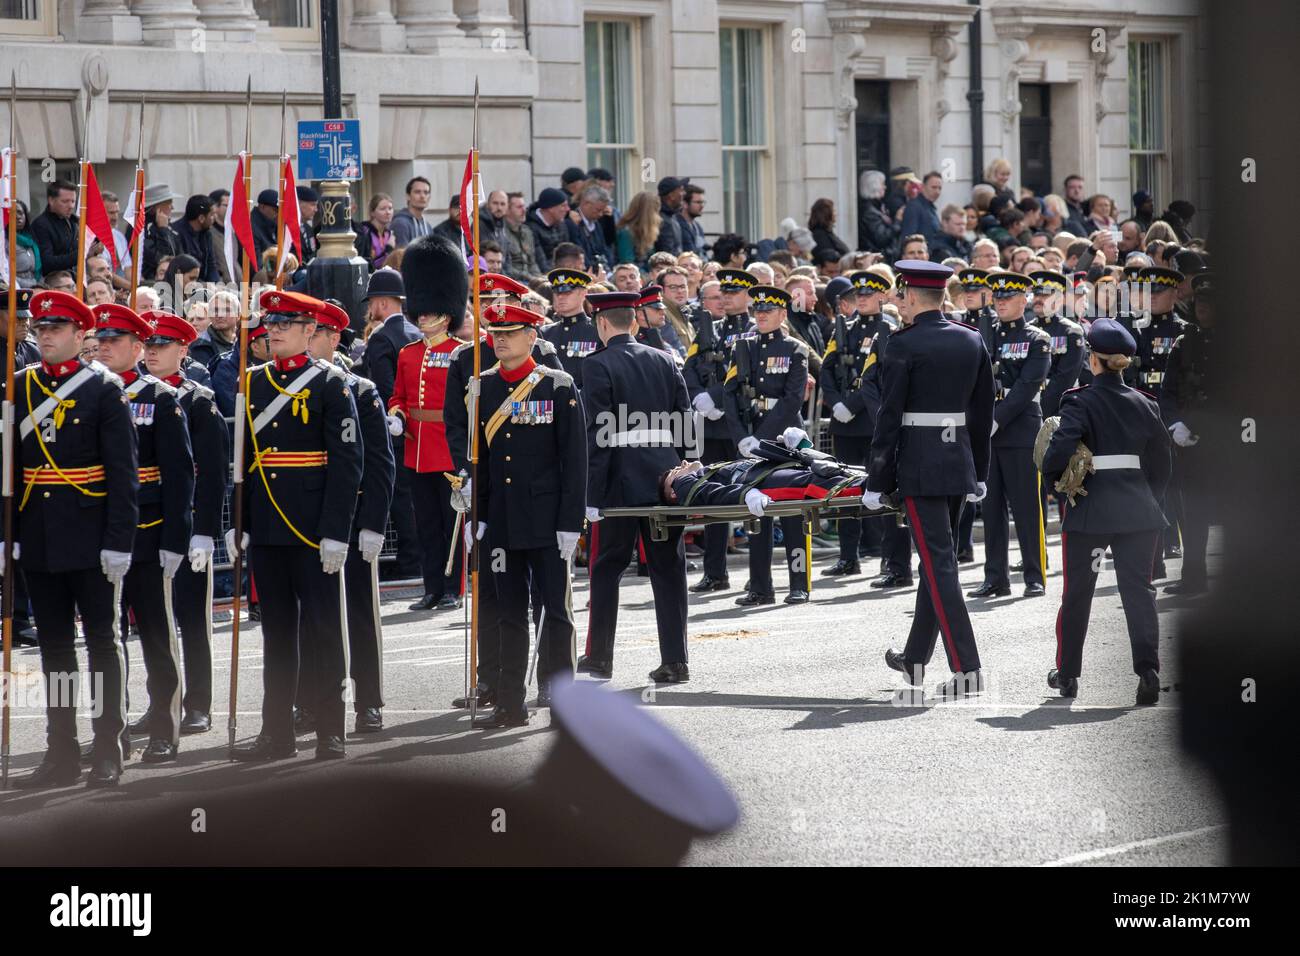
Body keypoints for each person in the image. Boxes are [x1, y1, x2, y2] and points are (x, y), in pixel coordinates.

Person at [9, 291, 139, 789]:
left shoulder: (104, 389)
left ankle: (108, 745)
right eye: (39, 328)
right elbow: (12, 469)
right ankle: (60, 751)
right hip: (39, 533)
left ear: (81, 334)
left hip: (92, 534)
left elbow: (123, 472)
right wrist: (10, 534)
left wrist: (119, 541)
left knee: (102, 643)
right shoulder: (20, 386)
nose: (44, 335)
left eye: (56, 328)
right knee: (55, 650)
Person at [228, 290, 363, 762]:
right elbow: (241, 461)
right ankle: (276, 732)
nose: (277, 329)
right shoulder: (253, 381)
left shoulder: (331, 384)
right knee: (276, 635)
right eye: (273, 322)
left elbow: (347, 463)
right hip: (267, 527)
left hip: (312, 532)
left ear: (311, 330)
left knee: (326, 632)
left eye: (288, 322)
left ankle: (331, 730)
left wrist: (336, 531)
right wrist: (238, 521)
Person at [864, 261, 995, 699]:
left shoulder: (903, 343)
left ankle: (967, 668)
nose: (897, 303)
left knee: (938, 564)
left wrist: (876, 479)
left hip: (920, 465)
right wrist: (979, 469)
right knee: (940, 563)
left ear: (915, 297)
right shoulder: (971, 339)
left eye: (900, 297)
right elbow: (982, 415)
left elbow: (889, 416)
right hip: (957, 461)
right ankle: (916, 659)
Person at [467, 302, 586, 728]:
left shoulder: (557, 385)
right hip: (501, 518)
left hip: (549, 519)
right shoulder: (482, 387)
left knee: (556, 613)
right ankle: (509, 702)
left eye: (510, 332)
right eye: (495, 333)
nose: (500, 339)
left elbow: (574, 460)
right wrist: (475, 515)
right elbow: (477, 458)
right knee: (509, 613)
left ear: (532, 337)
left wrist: (571, 522)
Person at [1041, 318, 1171, 705]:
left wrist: (1053, 482)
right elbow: (1162, 462)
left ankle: (1067, 674)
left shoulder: (1078, 400)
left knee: (1078, 593)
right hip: (1138, 509)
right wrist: (1150, 499)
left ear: (1093, 361)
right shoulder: (1145, 402)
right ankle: (1147, 670)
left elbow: (1062, 446)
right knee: (1139, 591)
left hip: (1090, 510)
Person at [89, 303, 194, 765]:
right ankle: (111, 731)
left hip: (149, 533)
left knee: (154, 634)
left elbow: (179, 476)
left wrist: (178, 538)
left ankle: (164, 726)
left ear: (137, 347)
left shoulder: (161, 398)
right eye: (101, 340)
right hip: (99, 532)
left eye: (117, 341)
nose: (105, 348)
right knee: (106, 640)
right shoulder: (89, 395)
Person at [578, 291, 692, 683]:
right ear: (635, 321)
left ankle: (599, 658)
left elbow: (598, 435)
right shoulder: (665, 360)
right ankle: (676, 660)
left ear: (603, 323)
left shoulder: (596, 365)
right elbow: (685, 419)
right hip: (664, 478)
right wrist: (684, 470)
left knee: (607, 567)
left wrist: (592, 495)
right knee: (668, 568)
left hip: (619, 483)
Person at [298, 300, 395, 735]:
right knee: (311, 616)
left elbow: (379, 463)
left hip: (354, 518)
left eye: (313, 331)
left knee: (358, 611)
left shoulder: (360, 390)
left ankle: (368, 701)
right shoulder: (288, 387)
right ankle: (311, 701)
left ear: (333, 338)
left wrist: (374, 522)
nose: (304, 338)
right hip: (305, 518)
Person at [141, 310, 229, 736]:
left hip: (189, 522)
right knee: (154, 623)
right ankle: (162, 702)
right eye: (149, 345)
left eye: (162, 346)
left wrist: (205, 531)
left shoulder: (197, 400)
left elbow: (211, 474)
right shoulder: (132, 395)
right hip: (146, 524)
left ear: (183, 350)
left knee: (192, 620)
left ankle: (198, 703)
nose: (153, 353)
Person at [388, 237, 467, 612]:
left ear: (446, 313)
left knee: (451, 524)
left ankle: (453, 587)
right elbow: (399, 395)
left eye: (428, 311)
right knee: (426, 526)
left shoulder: (461, 353)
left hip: (448, 448)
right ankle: (432, 586)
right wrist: (399, 415)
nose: (421, 316)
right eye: (419, 311)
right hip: (417, 448)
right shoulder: (408, 354)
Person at [723, 285, 811, 606]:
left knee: (791, 512)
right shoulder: (741, 348)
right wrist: (740, 437)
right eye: (757, 311)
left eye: (768, 311)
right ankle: (760, 586)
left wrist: (761, 439)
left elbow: (791, 401)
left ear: (782, 314)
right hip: (749, 437)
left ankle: (798, 582)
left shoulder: (795, 349)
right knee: (755, 512)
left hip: (783, 439)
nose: (761, 316)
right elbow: (729, 394)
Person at [968, 271, 1051, 600]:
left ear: (1023, 300)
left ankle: (1034, 573)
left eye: (1008, 299)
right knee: (991, 509)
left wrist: (996, 419)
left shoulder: (1037, 339)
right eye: (998, 298)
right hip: (988, 434)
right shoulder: (983, 335)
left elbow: (1027, 386)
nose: (1001, 304)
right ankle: (995, 577)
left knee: (1027, 507)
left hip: (1019, 431)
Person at [682, 267, 754, 593]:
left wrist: (715, 396)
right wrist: (699, 396)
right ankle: (715, 572)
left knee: (755, 499)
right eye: (723, 293)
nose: (727, 298)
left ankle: (760, 576)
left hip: (744, 426)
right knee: (713, 501)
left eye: (734, 293)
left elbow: (747, 374)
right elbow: (690, 368)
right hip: (712, 429)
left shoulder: (757, 328)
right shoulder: (708, 330)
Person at [819, 269, 893, 577]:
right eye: (857, 295)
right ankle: (849, 556)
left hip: (871, 418)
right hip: (844, 422)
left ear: (881, 297)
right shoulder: (842, 328)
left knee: (882, 485)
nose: (861, 300)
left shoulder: (887, 329)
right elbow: (827, 368)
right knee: (845, 489)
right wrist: (836, 402)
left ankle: (889, 556)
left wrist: (851, 404)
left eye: (867, 295)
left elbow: (878, 378)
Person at [356, 267, 422, 580]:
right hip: (420, 429)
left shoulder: (382, 338)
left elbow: (384, 388)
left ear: (382, 304)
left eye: (372, 302)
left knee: (401, 499)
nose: (370, 308)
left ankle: (411, 560)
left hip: (394, 428)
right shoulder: (417, 333)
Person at [1159, 272, 1215, 595]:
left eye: (1211, 302)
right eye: (1201, 302)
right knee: (1191, 514)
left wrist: (1196, 425)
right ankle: (1194, 576)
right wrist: (1175, 424)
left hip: (1227, 441)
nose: (1205, 308)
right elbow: (1168, 391)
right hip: (1188, 442)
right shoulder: (1184, 342)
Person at [541, 267, 600, 387]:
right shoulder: (544, 333)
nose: (560, 297)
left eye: (567, 292)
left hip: (585, 401)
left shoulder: (598, 330)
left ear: (583, 293)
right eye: (557, 292)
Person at [28, 180, 80, 279]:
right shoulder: (41, 225)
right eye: (65, 201)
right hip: (53, 281)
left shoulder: (73, 221)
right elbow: (48, 262)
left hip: (74, 277)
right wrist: (80, 254)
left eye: (73, 201)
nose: (71, 206)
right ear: (51, 200)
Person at [172, 195, 220, 283]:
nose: (215, 218)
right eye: (212, 214)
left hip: (206, 286)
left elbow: (211, 265)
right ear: (201, 218)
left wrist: (216, 285)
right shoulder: (176, 234)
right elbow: (184, 269)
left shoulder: (206, 233)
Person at [526, 187, 572, 273]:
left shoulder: (562, 225)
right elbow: (540, 261)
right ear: (551, 208)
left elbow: (568, 253)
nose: (568, 209)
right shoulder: (531, 228)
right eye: (563, 205)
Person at [615, 190, 661, 267]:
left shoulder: (648, 232)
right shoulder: (626, 233)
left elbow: (651, 261)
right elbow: (627, 263)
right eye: (655, 211)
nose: (658, 216)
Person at [502, 191, 540, 281]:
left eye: (524, 206)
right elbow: (505, 266)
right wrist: (530, 278)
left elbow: (532, 262)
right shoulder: (501, 232)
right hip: (513, 281)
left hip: (530, 280)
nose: (524, 210)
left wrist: (539, 278)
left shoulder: (527, 232)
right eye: (519, 207)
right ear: (507, 210)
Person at [899, 171, 943, 246]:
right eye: (934, 187)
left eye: (940, 188)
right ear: (923, 187)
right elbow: (909, 236)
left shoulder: (930, 208)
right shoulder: (914, 207)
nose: (937, 191)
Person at [355, 193, 397, 271]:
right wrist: (389, 249)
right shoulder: (364, 231)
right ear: (372, 212)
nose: (388, 212)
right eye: (383, 209)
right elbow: (369, 264)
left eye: (390, 208)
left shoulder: (389, 234)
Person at [392, 176, 433, 248]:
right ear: (408, 196)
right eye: (417, 192)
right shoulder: (400, 223)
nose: (422, 196)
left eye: (426, 192)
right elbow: (400, 255)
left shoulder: (427, 226)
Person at [654, 177, 688, 255]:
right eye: (681, 190)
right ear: (671, 196)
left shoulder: (671, 216)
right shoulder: (663, 220)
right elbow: (668, 255)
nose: (684, 193)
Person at [677, 184, 707, 256]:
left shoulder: (697, 226)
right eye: (698, 202)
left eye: (703, 202)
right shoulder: (678, 224)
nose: (702, 206)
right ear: (685, 204)